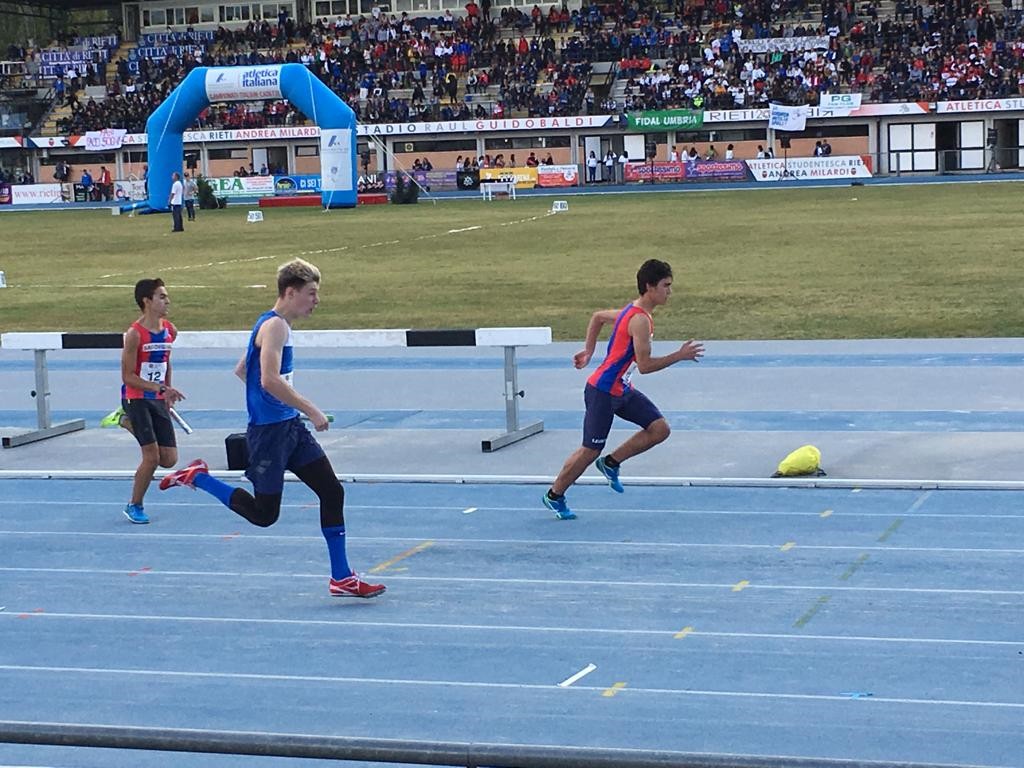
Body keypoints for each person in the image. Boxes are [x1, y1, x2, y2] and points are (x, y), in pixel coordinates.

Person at [159, 259, 386, 599]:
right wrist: (310, 409)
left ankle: (342, 577)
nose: (317, 300)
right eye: (312, 293)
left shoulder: (274, 326)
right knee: (265, 515)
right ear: (291, 292)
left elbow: (243, 370)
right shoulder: (275, 326)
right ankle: (199, 477)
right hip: (269, 435)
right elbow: (268, 379)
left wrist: (280, 406)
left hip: (289, 429)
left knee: (332, 491)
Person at [542, 259, 704, 520]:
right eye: (666, 286)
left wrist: (589, 351)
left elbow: (597, 317)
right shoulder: (639, 320)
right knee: (589, 449)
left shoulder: (633, 311)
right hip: (603, 391)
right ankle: (554, 495)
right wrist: (679, 355)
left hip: (621, 389)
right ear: (650, 287)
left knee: (659, 429)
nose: (670, 292)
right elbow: (645, 366)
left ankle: (611, 463)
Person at [121, 278, 186, 524]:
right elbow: (128, 377)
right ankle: (134, 505)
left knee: (169, 459)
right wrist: (159, 387)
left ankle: (126, 422)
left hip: (158, 398)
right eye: (162, 296)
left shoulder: (170, 330)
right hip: (136, 397)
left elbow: (165, 361)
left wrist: (167, 391)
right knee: (152, 457)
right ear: (147, 301)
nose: (168, 301)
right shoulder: (134, 335)